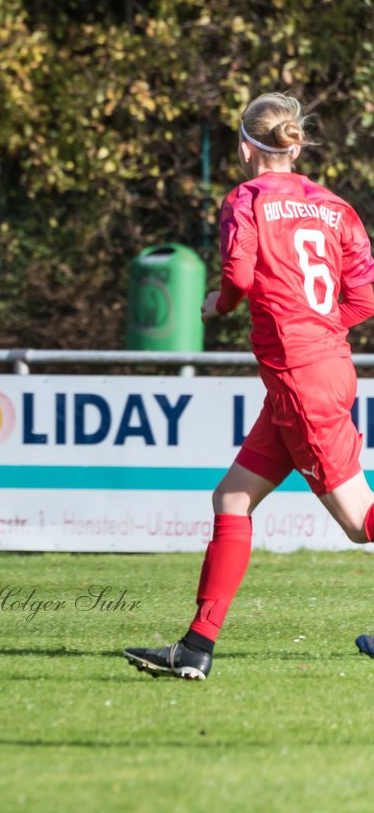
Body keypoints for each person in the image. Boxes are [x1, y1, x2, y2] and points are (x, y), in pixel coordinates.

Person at [124, 92, 374, 680]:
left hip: (300, 379)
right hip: (323, 369)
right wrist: (318, 328)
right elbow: (364, 295)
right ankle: (195, 648)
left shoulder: (247, 198)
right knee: (231, 498)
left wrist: (220, 303)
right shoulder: (336, 207)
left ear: (245, 146)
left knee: (360, 524)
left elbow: (237, 275)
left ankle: (196, 649)